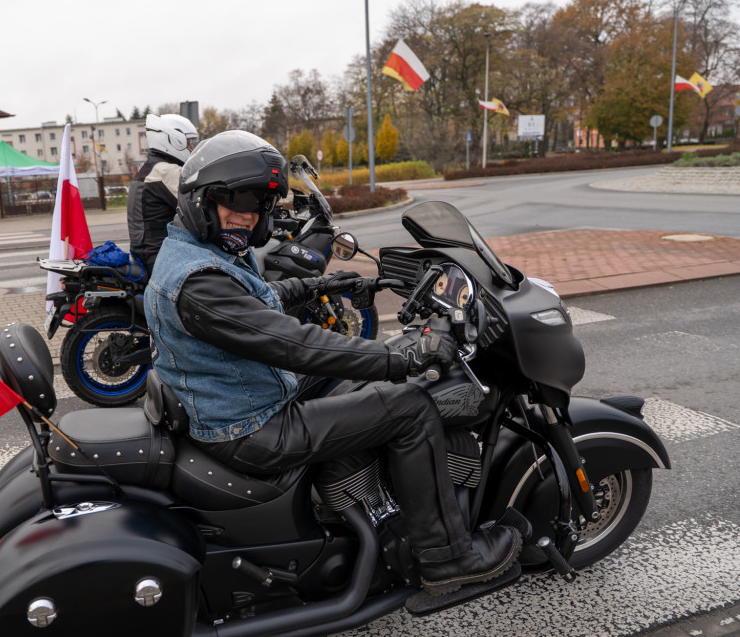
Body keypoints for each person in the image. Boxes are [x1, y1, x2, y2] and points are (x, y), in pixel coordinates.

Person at [144, 130, 520, 597]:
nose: (249, 214)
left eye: (261, 203)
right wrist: (400, 358)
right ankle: (447, 559)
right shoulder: (198, 283)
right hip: (250, 429)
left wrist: (324, 287)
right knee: (410, 407)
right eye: (238, 199)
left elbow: (258, 302)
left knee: (353, 378)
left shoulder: (198, 252)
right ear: (202, 199)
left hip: (244, 397)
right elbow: (295, 345)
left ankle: (375, 500)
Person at [127, 113, 199, 275]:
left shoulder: (149, 168)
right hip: (161, 255)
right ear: (174, 140)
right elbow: (199, 206)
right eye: (189, 143)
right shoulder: (167, 171)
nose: (192, 148)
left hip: (145, 251)